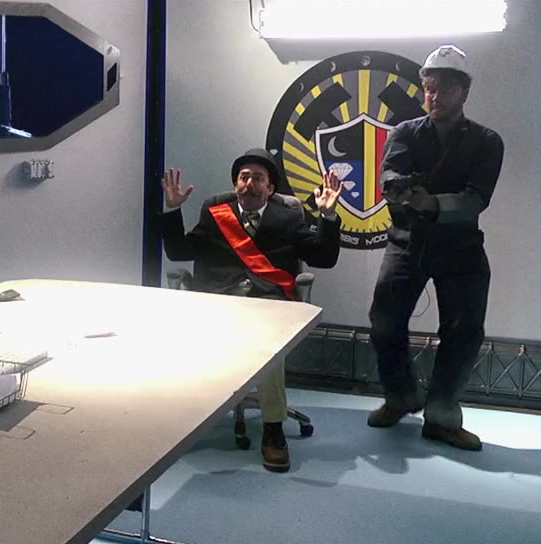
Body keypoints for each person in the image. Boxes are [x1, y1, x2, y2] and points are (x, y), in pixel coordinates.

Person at [160, 148, 342, 472]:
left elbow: (324, 258)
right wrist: (173, 210)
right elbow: (178, 252)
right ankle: (186, 419)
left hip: (268, 303)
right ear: (235, 184)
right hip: (220, 300)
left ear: (270, 188)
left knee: (268, 347)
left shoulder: (288, 217)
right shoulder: (216, 212)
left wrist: (327, 217)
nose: (250, 184)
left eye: (258, 178)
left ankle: (273, 429)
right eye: (244, 177)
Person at [366, 45, 505, 451]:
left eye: (444, 89)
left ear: (464, 92)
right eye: (429, 88)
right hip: (407, 241)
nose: (434, 96)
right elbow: (390, 174)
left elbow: (477, 198)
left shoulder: (487, 141)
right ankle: (400, 397)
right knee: (384, 322)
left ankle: (442, 416)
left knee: (464, 332)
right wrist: (398, 189)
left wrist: (432, 203)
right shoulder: (405, 132)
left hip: (461, 248)